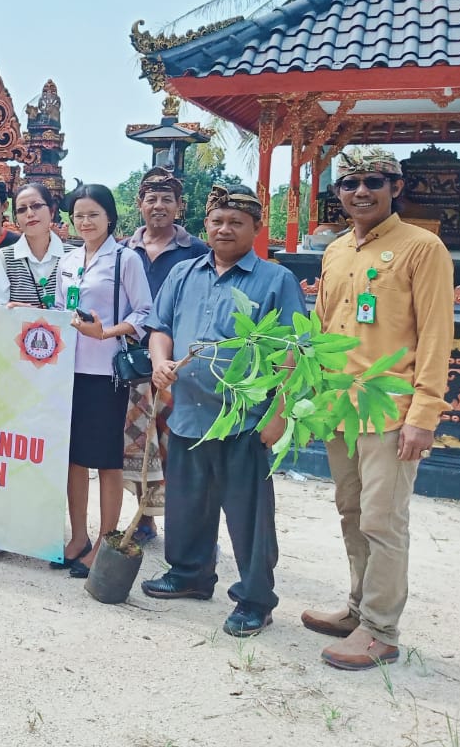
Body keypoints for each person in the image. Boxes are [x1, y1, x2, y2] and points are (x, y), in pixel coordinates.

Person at [303, 146, 454, 670]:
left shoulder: (422, 247)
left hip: (391, 407)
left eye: (373, 180)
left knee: (384, 521)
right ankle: (356, 608)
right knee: (352, 512)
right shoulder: (335, 250)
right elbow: (322, 330)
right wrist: (310, 398)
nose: (360, 191)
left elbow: (436, 335)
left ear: (396, 187)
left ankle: (381, 631)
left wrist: (423, 416)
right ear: (337, 193)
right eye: (349, 183)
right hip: (339, 408)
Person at [139, 185, 304, 638]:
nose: (225, 228)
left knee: (248, 514)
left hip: (245, 418)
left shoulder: (276, 280)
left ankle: (255, 599)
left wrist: (279, 413)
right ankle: (190, 574)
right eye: (217, 221)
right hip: (189, 410)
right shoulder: (184, 273)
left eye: (236, 221)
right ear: (205, 226)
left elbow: (293, 351)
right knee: (188, 501)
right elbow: (160, 328)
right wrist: (159, 363)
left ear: (255, 228)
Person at [0, 181, 66, 565]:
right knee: (7, 448)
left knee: (52, 452)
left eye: (36, 206)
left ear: (53, 210)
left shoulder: (72, 257)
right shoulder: (6, 258)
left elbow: (73, 309)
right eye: (22, 210)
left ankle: (46, 535)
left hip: (61, 372)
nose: (30, 215)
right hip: (16, 370)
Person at [56, 183, 152, 577]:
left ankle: (104, 540)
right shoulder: (69, 259)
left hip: (107, 373)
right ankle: (78, 536)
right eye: (78, 215)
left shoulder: (125, 259)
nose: (85, 222)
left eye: (93, 214)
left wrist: (108, 332)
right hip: (68, 371)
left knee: (107, 462)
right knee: (74, 459)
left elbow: (146, 312)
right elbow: (61, 310)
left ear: (109, 217)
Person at [122, 167, 210, 542]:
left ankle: (186, 525)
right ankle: (144, 517)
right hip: (133, 359)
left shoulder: (198, 252)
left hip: (181, 365)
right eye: (151, 198)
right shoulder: (124, 250)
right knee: (141, 445)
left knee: (178, 446)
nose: (158, 206)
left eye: (167, 199)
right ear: (139, 204)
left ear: (179, 207)